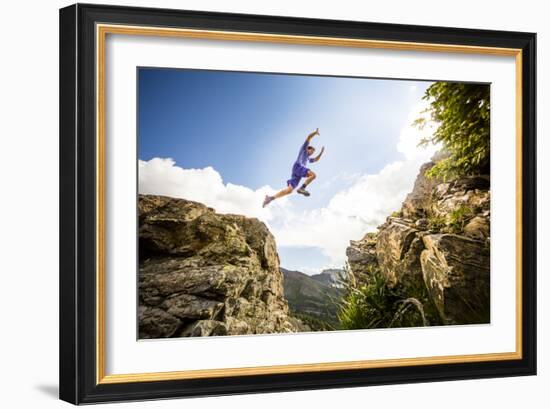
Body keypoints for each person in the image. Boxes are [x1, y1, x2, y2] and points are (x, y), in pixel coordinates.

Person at [263, 128, 325, 208]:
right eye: (312, 151)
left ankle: (270, 198)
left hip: (296, 173)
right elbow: (308, 137)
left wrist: (321, 153)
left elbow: (316, 159)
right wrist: (315, 133)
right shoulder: (304, 149)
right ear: (308, 149)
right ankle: (302, 188)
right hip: (298, 166)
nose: (312, 153)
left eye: (313, 152)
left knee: (289, 190)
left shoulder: (308, 158)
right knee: (313, 175)